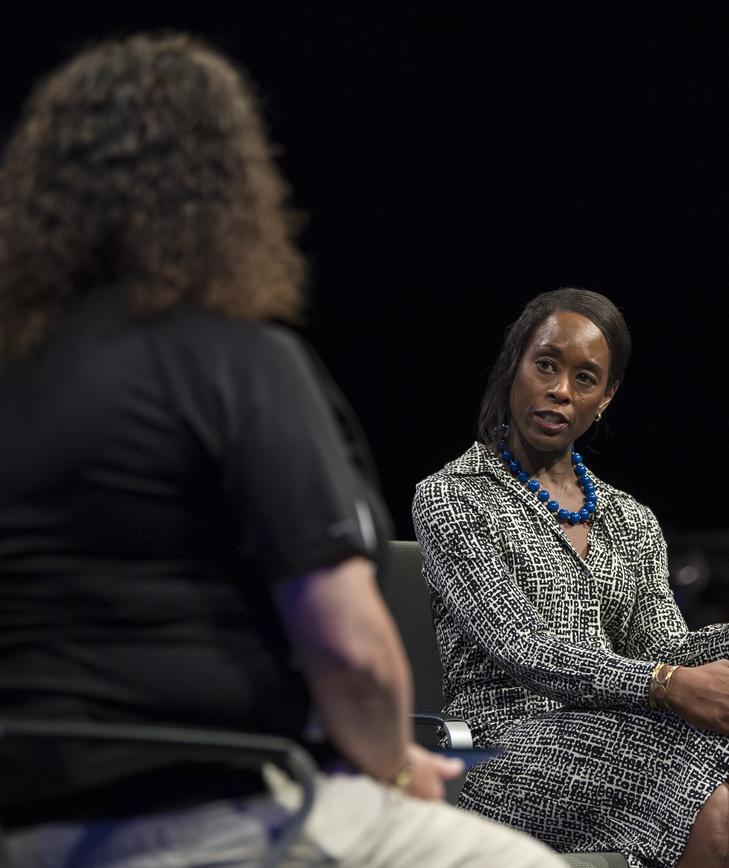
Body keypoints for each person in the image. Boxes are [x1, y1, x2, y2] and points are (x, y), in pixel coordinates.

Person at [0, 33, 563, 867]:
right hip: (208, 816)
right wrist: (393, 768)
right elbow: (352, 651)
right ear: (222, 192)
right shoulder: (235, 361)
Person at [412, 287, 729, 868]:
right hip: (498, 753)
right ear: (515, 366)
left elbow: (670, 652)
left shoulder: (629, 519)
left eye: (585, 379)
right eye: (546, 365)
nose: (560, 390)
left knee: (715, 808)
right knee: (725, 743)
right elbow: (524, 648)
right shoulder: (453, 497)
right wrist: (665, 685)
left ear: (605, 399)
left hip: (614, 741)